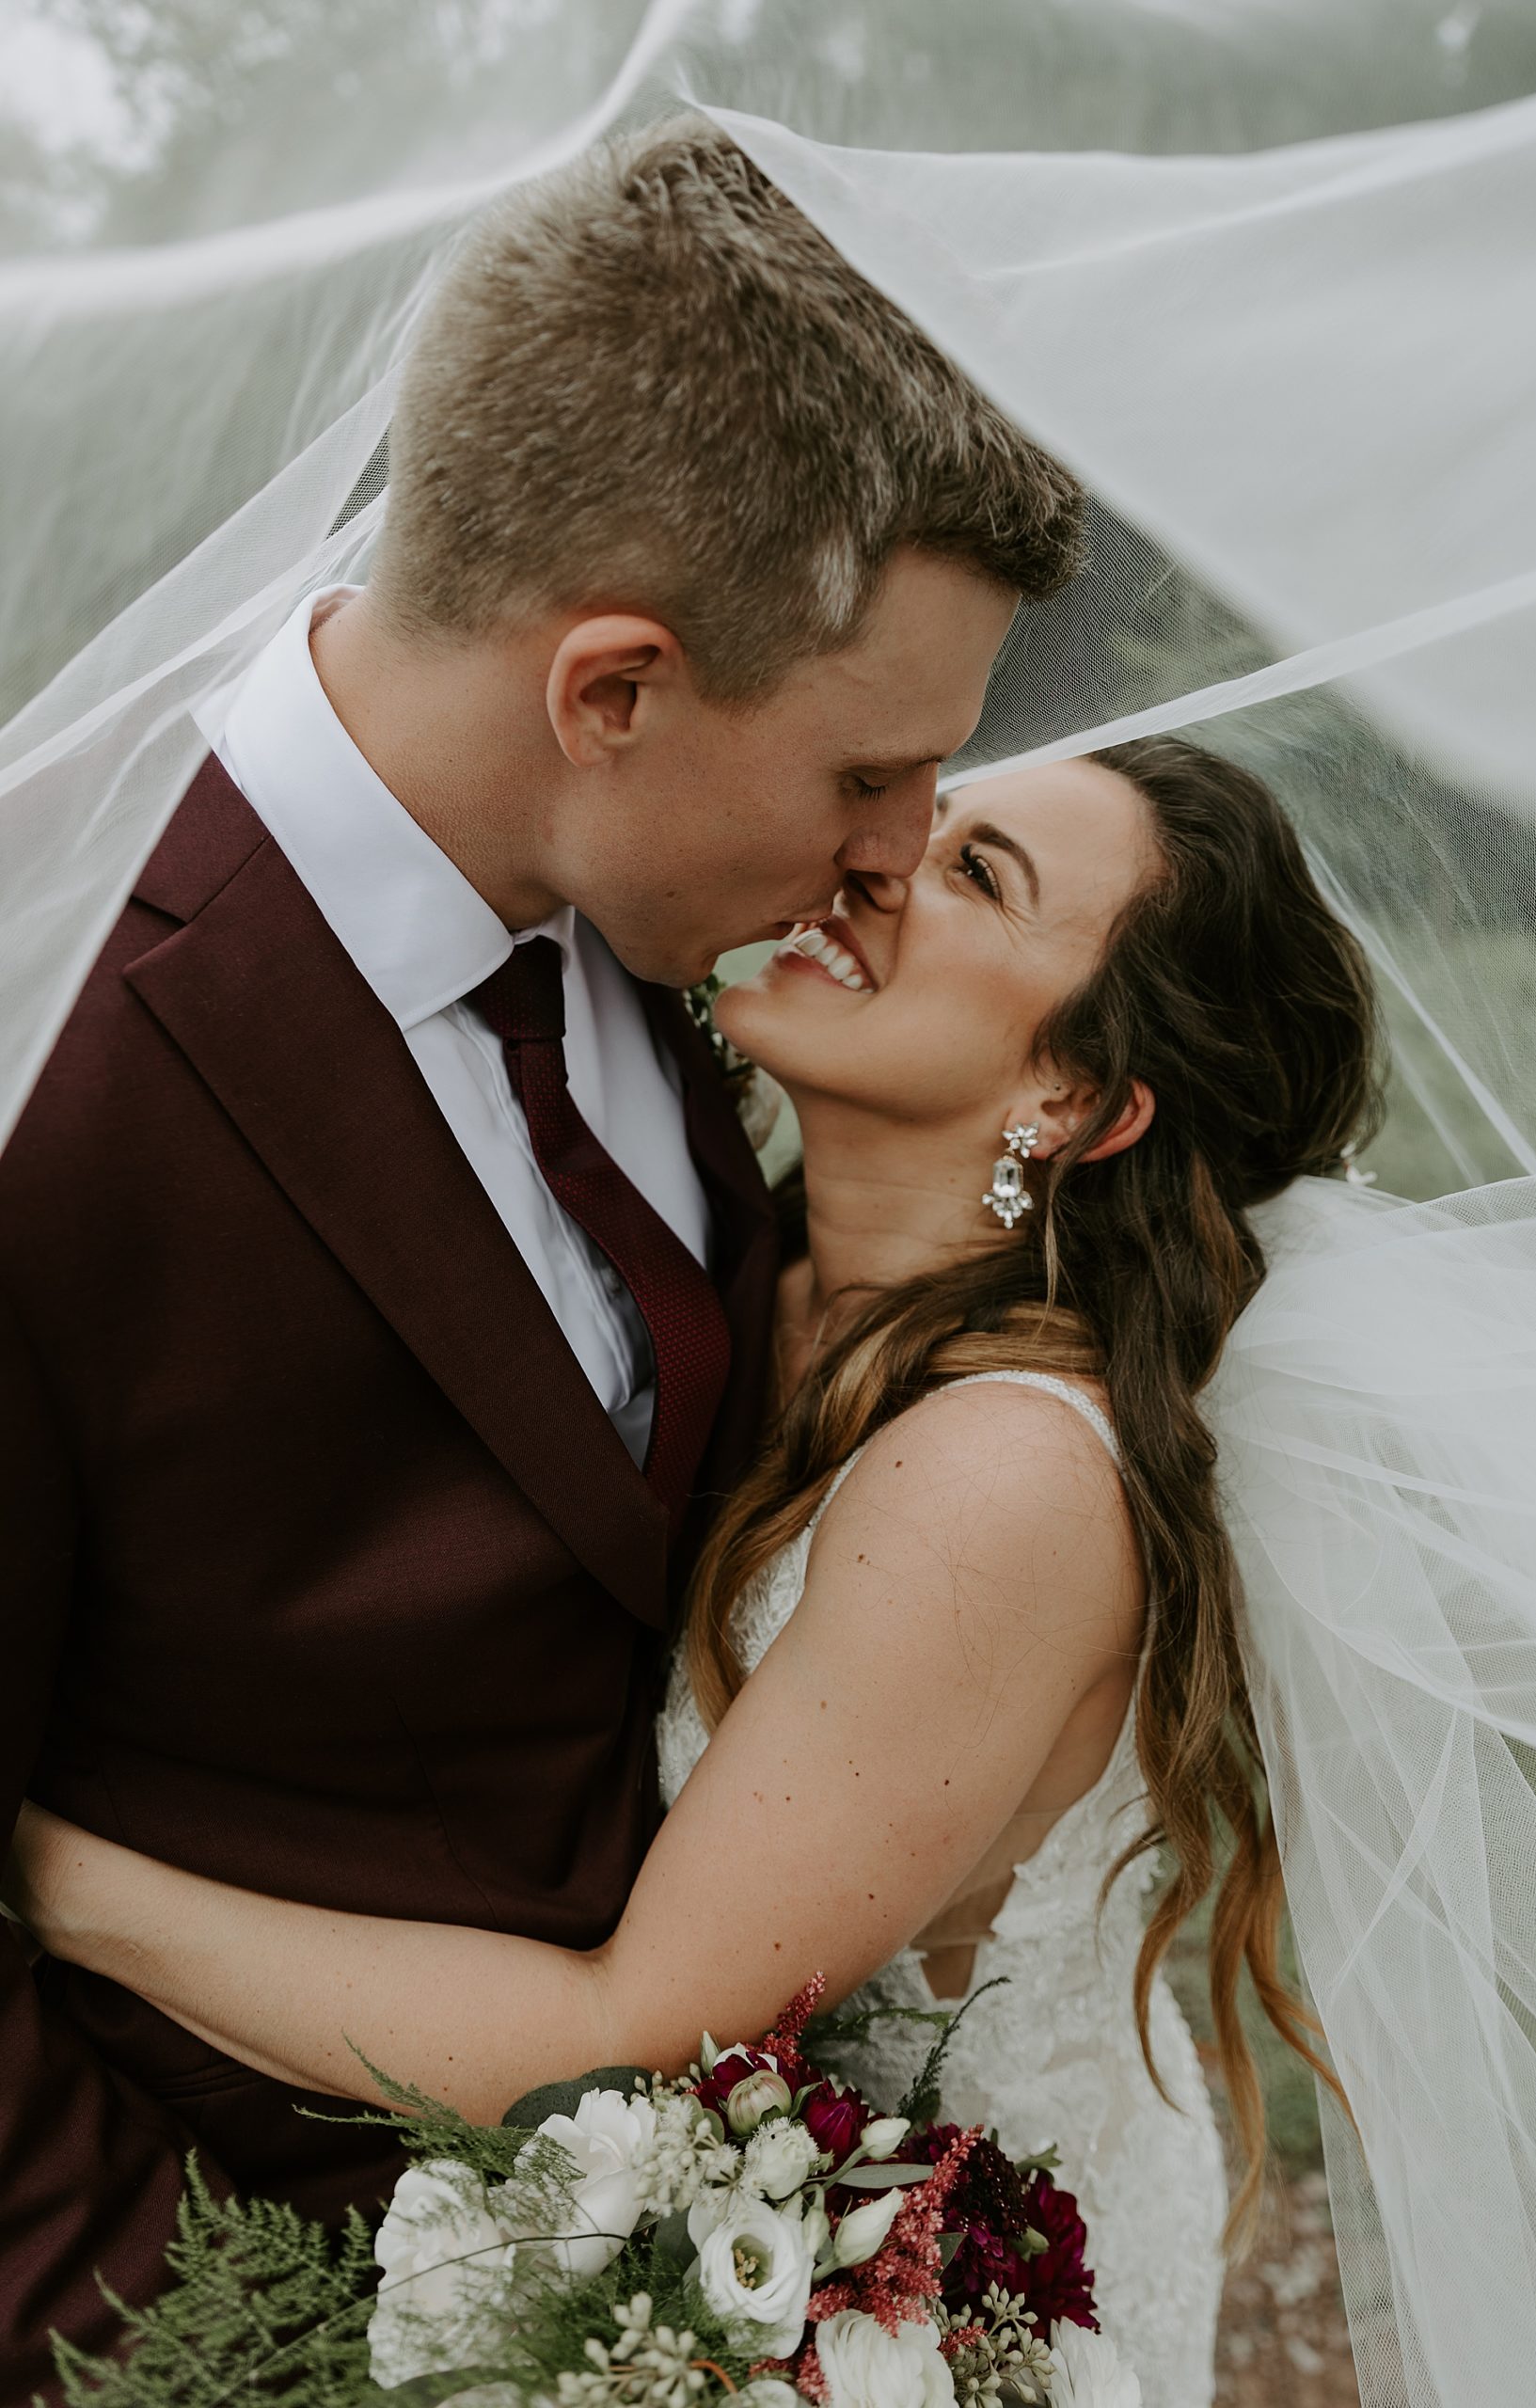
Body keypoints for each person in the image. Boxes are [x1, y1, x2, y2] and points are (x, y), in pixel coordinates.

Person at [0, 117, 1084, 2397]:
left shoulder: (660, 937)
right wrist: (268, 2370)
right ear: (611, 688)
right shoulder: (58, 1044)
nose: (896, 860)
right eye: (868, 773)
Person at [11, 736, 1381, 2405]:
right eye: (932, 817)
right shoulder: (776, 1268)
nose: (883, 858)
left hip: (904, 2314)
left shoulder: (1002, 1481)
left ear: (1073, 1102)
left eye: (976, 875)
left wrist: (54, 1872)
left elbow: (622, 2034)